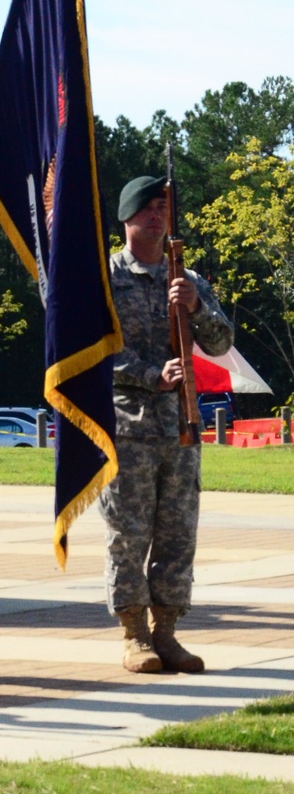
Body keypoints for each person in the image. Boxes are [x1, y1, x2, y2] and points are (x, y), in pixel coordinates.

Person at [101, 175, 233, 674]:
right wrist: (150, 374)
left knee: (178, 534)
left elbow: (220, 344)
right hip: (128, 428)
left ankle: (168, 632)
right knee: (127, 534)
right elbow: (90, 354)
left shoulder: (188, 279)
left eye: (163, 207)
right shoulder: (106, 277)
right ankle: (134, 635)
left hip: (181, 426)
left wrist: (196, 307)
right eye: (147, 208)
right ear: (127, 217)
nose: (157, 216)